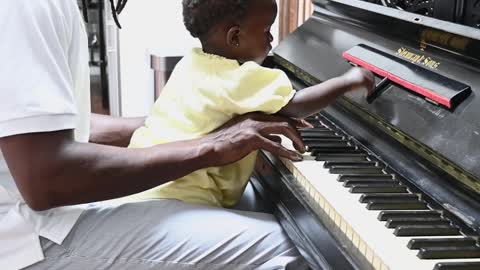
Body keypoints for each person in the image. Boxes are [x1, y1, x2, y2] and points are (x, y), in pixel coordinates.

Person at [0, 0, 315, 269]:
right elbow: (45, 179)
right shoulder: (29, 7)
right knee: (303, 246)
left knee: (260, 206)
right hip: (29, 237)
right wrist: (212, 145)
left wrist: (186, 121)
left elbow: (55, 128)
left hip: (44, 213)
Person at [120, 0, 375, 208]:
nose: (272, 39)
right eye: (266, 30)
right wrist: (348, 80)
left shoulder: (191, 62)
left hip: (151, 186)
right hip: (189, 198)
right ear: (235, 37)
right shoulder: (238, 77)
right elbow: (296, 105)